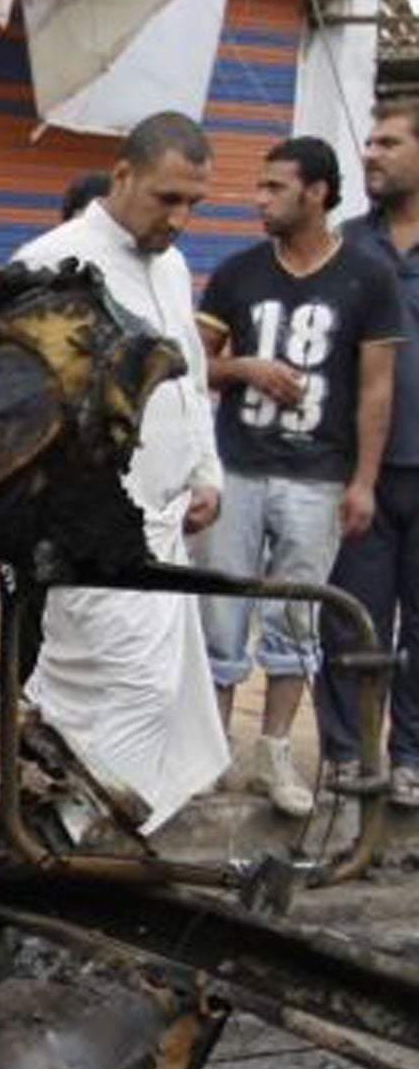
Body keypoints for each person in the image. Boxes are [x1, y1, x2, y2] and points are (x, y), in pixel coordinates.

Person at [13, 111, 230, 834]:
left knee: (127, 692)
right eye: (167, 197)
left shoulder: (171, 266)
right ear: (124, 176)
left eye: (195, 203)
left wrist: (206, 471)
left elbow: (189, 380)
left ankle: (55, 826)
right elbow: (17, 407)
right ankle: (85, 838)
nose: (181, 217)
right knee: (125, 684)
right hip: (91, 525)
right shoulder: (53, 262)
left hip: (164, 524)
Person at [193, 136, 402, 816]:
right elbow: (194, 365)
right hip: (238, 468)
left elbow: (376, 389)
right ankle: (210, 750)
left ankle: (275, 752)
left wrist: (363, 480)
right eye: (259, 186)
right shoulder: (237, 273)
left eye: (275, 188)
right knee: (219, 614)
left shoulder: (367, 278)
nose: (260, 199)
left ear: (317, 192)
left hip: (318, 476)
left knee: (297, 619)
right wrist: (244, 368)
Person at [322, 100, 419, 807]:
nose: (371, 155)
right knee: (350, 618)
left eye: (388, 143)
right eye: (369, 142)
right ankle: (347, 759)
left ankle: (411, 759)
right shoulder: (345, 246)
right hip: (359, 474)